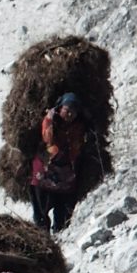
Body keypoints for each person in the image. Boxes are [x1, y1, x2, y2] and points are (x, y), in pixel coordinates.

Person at [30, 92, 88, 233]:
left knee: (62, 210)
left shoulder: (79, 126)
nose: (70, 115)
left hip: (66, 175)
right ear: (60, 108)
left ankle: (59, 231)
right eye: (67, 110)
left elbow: (78, 147)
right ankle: (42, 232)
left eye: (73, 112)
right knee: (41, 209)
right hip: (45, 171)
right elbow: (48, 139)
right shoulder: (49, 120)